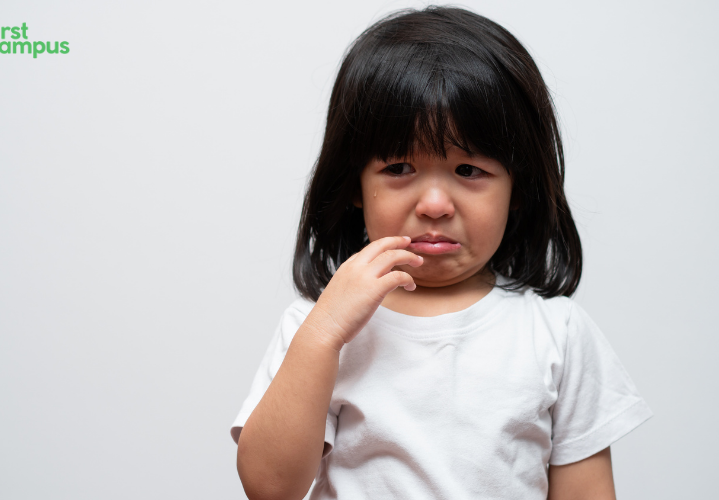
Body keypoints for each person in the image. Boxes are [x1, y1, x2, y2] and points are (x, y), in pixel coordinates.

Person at [229, 5, 653, 500]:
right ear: (353, 185)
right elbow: (269, 487)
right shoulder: (316, 325)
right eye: (400, 167)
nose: (433, 205)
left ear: (518, 188)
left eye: (469, 171)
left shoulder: (557, 334)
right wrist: (323, 335)